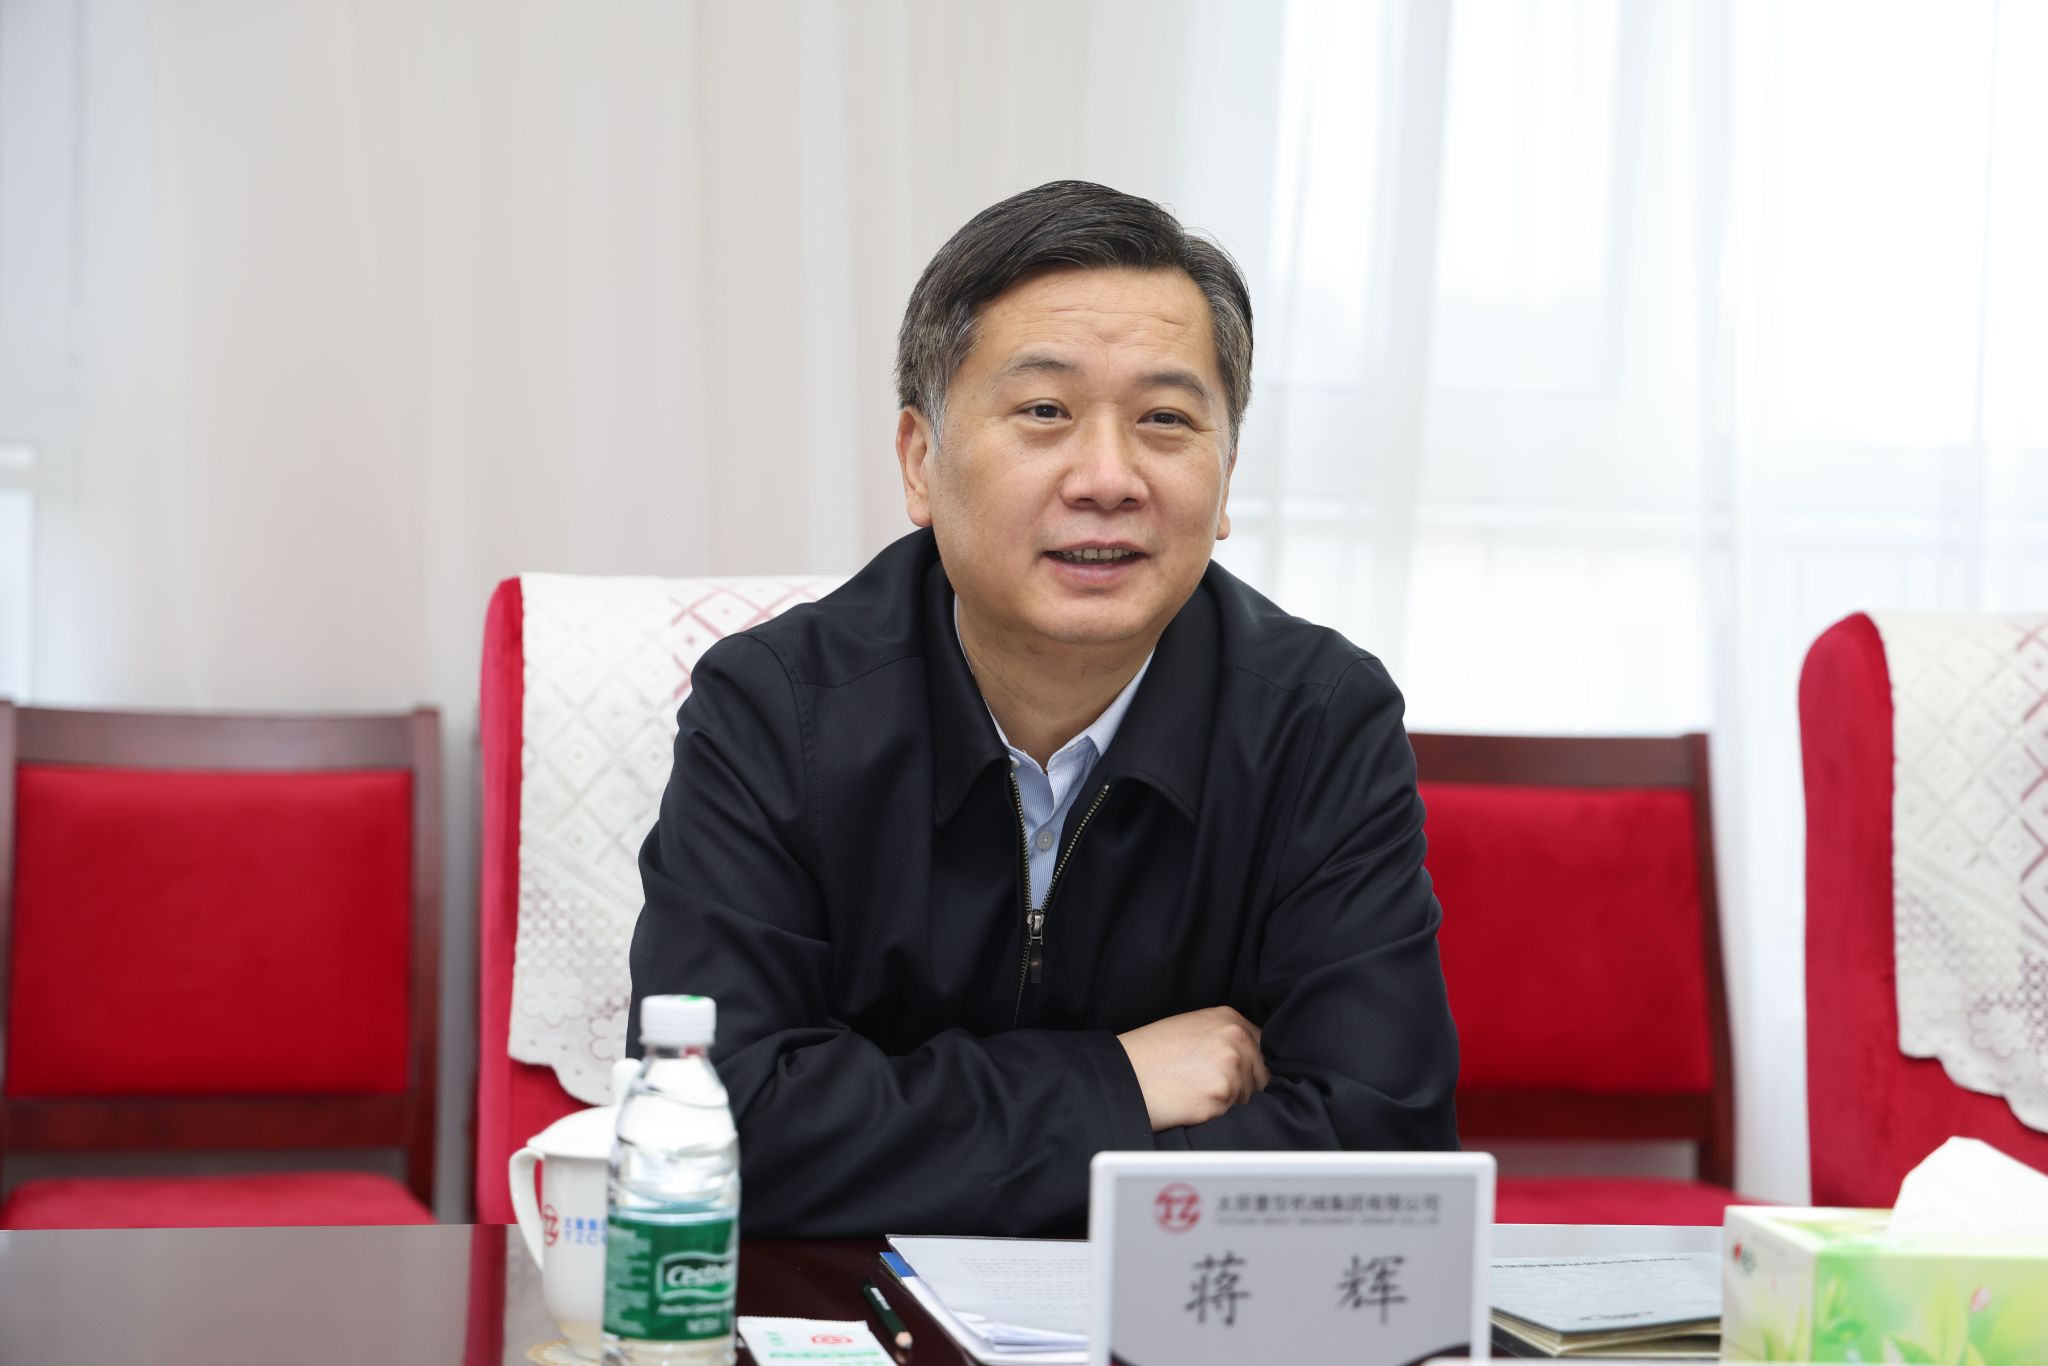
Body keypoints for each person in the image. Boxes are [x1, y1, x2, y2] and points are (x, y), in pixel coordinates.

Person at [628, 180, 1458, 1237]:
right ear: (920, 462)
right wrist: (1121, 1082)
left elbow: (1378, 1154)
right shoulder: (775, 709)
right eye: (1044, 413)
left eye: (1165, 420)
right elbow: (718, 1126)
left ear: (1226, 475)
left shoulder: (1318, 722)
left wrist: (902, 1136)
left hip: (1176, 1315)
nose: (1107, 478)